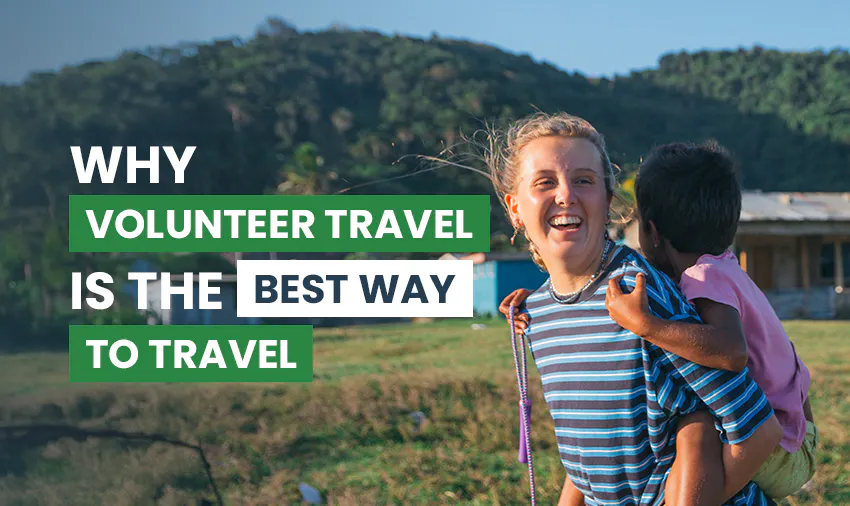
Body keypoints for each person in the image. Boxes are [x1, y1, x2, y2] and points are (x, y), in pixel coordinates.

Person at [489, 111, 783, 506]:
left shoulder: (638, 296)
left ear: (607, 201)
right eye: (545, 182)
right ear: (514, 209)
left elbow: (759, 431)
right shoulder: (537, 313)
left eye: (584, 180)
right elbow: (589, 452)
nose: (565, 195)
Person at [602, 141, 817, 500]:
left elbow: (732, 351)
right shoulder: (722, 266)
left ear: (652, 232)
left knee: (692, 431)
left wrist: (645, 325)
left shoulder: (703, 277)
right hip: (797, 432)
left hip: (781, 449)